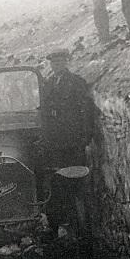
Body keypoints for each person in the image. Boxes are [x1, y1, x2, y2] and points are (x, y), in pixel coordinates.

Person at [41, 49, 98, 241]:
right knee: (53, 184)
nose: (56, 65)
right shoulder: (47, 84)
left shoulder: (76, 83)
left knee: (75, 184)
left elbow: (87, 110)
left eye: (60, 61)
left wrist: (85, 136)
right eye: (53, 62)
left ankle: (78, 223)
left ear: (67, 62)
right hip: (53, 143)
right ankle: (54, 223)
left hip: (73, 142)